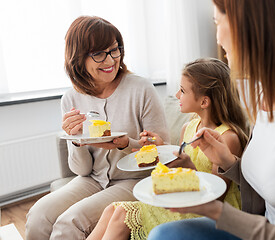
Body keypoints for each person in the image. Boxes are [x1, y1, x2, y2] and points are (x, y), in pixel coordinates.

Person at [147, 0, 275, 240]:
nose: (217, 38)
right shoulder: (265, 99)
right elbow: (267, 188)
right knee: (163, 234)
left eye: (218, 22)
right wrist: (228, 163)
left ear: (245, 28)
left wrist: (215, 210)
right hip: (259, 228)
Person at [25, 16, 169, 240]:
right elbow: (82, 170)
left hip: (135, 180)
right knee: (38, 216)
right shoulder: (71, 98)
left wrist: (126, 144)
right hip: (91, 179)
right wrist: (75, 140)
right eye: (99, 54)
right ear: (78, 58)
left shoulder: (141, 88)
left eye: (114, 50)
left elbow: (163, 153)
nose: (110, 60)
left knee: (69, 224)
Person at [86, 58, 249, 240]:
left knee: (122, 214)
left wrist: (189, 166)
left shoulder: (227, 137)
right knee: (112, 209)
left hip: (211, 213)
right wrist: (160, 149)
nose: (177, 95)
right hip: (184, 199)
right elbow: (177, 170)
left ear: (204, 102)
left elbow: (215, 198)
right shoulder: (188, 128)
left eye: (183, 90)